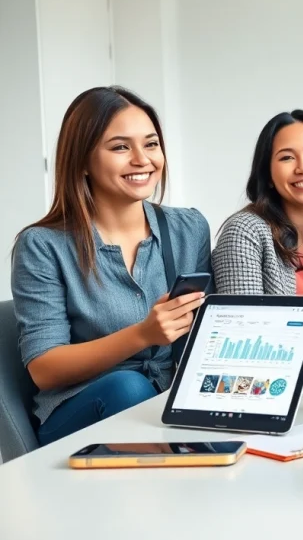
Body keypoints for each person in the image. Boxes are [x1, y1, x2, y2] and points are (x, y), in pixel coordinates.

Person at [11, 86, 211, 445]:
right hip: (80, 411)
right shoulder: (42, 245)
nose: (142, 159)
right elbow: (44, 369)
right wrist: (143, 335)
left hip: (167, 405)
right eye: (121, 147)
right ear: (83, 161)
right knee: (127, 387)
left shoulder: (189, 228)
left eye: (151, 144)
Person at [212, 110, 303, 394]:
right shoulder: (244, 231)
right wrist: (297, 373)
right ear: (269, 175)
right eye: (287, 157)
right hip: (253, 381)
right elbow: (242, 336)